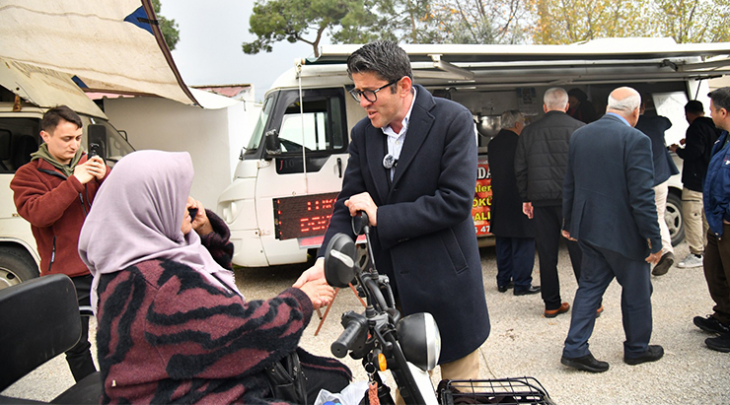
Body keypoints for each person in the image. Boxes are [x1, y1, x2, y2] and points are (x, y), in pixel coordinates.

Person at [78, 150, 351, 404]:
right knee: (334, 378)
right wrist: (301, 301)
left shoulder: (136, 256)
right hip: (183, 393)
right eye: (176, 196)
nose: (188, 204)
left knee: (331, 376)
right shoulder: (155, 283)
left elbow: (209, 287)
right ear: (150, 205)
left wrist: (206, 229)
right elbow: (240, 333)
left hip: (190, 376)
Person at [294, 41, 490, 383]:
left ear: (403, 86)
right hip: (394, 293)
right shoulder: (363, 134)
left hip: (449, 287)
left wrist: (381, 217)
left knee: (462, 390)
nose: (364, 103)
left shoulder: (451, 120)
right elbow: (347, 205)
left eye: (370, 92)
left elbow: (455, 201)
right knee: (409, 390)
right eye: (358, 93)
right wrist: (326, 261)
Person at [560, 87, 664, 373]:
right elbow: (642, 197)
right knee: (637, 291)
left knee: (590, 288)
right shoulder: (636, 139)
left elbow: (569, 183)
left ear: (608, 107)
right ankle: (637, 349)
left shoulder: (580, 134)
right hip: (623, 234)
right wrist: (654, 241)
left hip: (589, 230)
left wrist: (568, 224)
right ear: (636, 111)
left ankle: (575, 348)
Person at [10, 105, 107, 382]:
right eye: (67, 139)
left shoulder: (90, 164)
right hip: (65, 275)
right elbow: (39, 215)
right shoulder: (27, 176)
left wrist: (106, 177)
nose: (74, 145)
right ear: (45, 136)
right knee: (76, 345)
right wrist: (75, 181)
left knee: (120, 332)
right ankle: (92, 397)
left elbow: (120, 203)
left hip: (103, 265)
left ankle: (122, 388)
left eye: (78, 138)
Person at [514, 87, 586, 318]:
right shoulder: (581, 130)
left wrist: (526, 198)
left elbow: (520, 169)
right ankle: (591, 303)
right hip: (572, 201)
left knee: (546, 254)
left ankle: (552, 304)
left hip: (541, 201)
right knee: (580, 251)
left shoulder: (529, 132)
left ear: (544, 107)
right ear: (567, 106)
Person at [488, 110, 539, 295]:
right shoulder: (521, 143)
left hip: (500, 199)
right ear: (517, 124)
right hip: (519, 199)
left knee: (503, 242)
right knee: (523, 243)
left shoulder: (493, 144)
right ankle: (522, 284)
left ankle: (503, 281)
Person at [695, 87, 730, 353]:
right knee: (714, 271)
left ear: (723, 112)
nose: (709, 115)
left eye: (711, 110)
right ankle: (723, 318)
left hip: (727, 221)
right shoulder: (723, 139)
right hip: (718, 223)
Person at [670, 100, 722, 269]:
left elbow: (695, 152)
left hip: (695, 180)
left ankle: (696, 253)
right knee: (708, 216)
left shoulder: (695, 127)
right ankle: (710, 250)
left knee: (692, 216)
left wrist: (678, 150)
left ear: (688, 114)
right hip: (712, 179)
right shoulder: (714, 126)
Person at [635, 98, 680, 276]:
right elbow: (667, 121)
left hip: (639, 182)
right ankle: (666, 250)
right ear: (643, 107)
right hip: (660, 179)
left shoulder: (627, 128)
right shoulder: (656, 122)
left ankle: (648, 253)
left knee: (640, 217)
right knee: (659, 216)